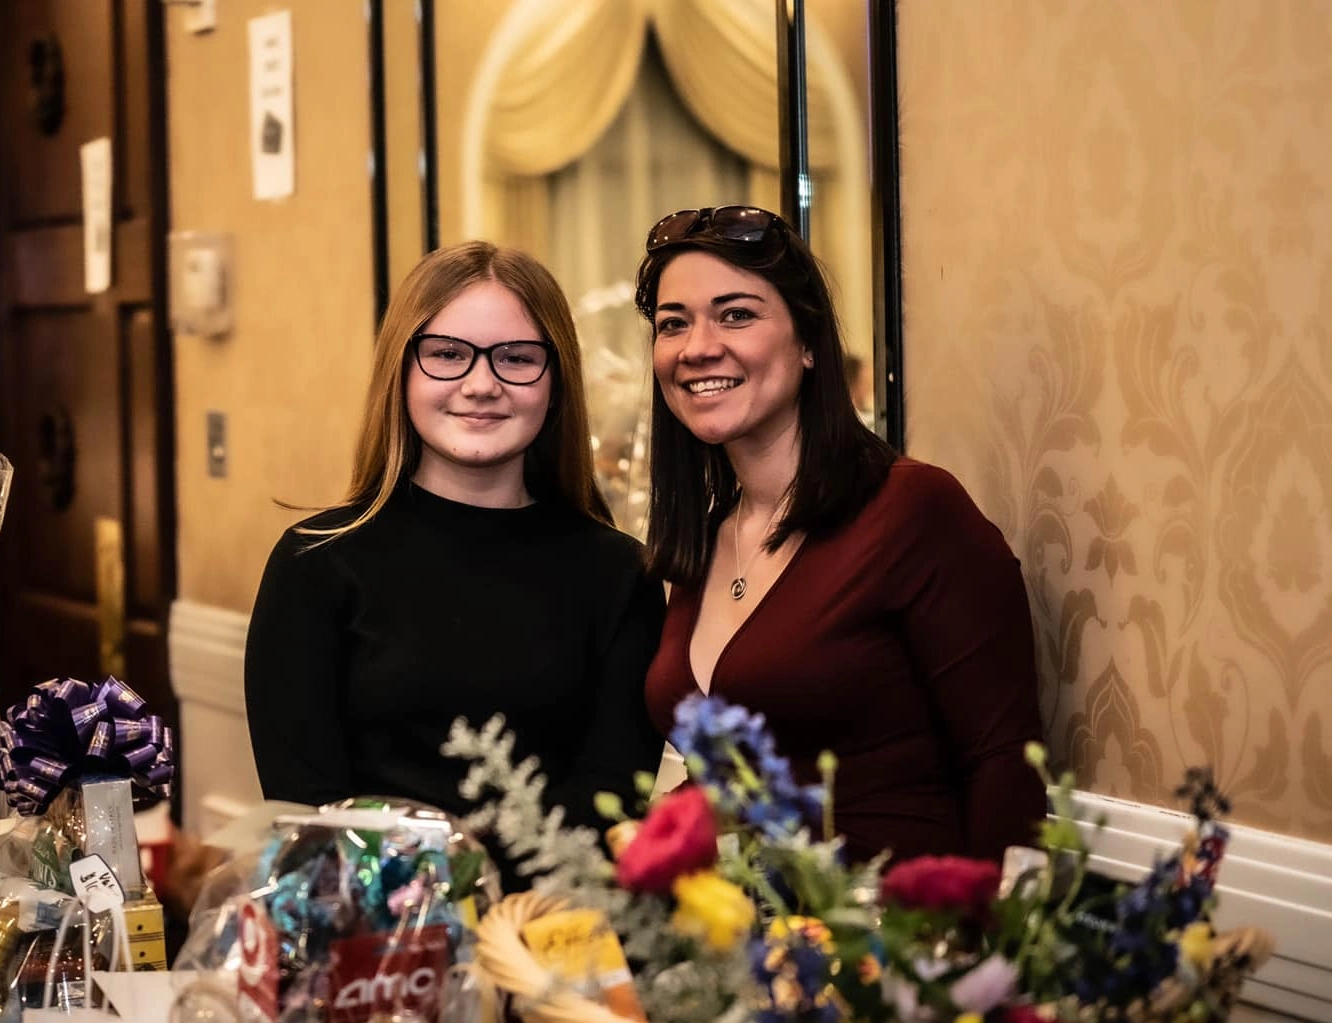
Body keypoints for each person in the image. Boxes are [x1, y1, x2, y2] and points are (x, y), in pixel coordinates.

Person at [635, 206, 1042, 863]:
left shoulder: (914, 510)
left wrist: (981, 958)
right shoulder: (702, 542)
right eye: (672, 324)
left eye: (736, 314)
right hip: (747, 948)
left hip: (895, 939)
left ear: (807, 343)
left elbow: (1004, 765)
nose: (697, 346)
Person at [245, 240, 664, 826]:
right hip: (365, 913)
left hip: (554, 915)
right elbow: (307, 806)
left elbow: (610, 803)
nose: (481, 383)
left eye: (516, 358)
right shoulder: (314, 563)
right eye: (447, 354)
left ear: (556, 382)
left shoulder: (623, 575)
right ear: (403, 370)